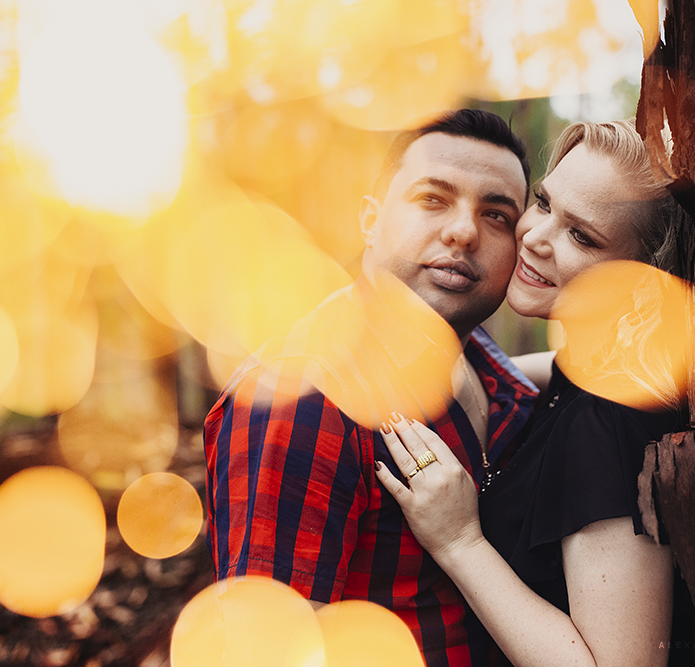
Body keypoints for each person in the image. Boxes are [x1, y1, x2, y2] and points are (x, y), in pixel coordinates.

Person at [205, 109, 540, 666]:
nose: (464, 231)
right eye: (432, 199)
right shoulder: (304, 396)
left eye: (497, 215)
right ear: (370, 219)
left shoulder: (482, 364)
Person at [376, 119, 695, 667]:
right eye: (544, 203)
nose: (533, 237)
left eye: (581, 236)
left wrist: (460, 543)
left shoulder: (603, 428)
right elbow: (544, 372)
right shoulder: (593, 375)